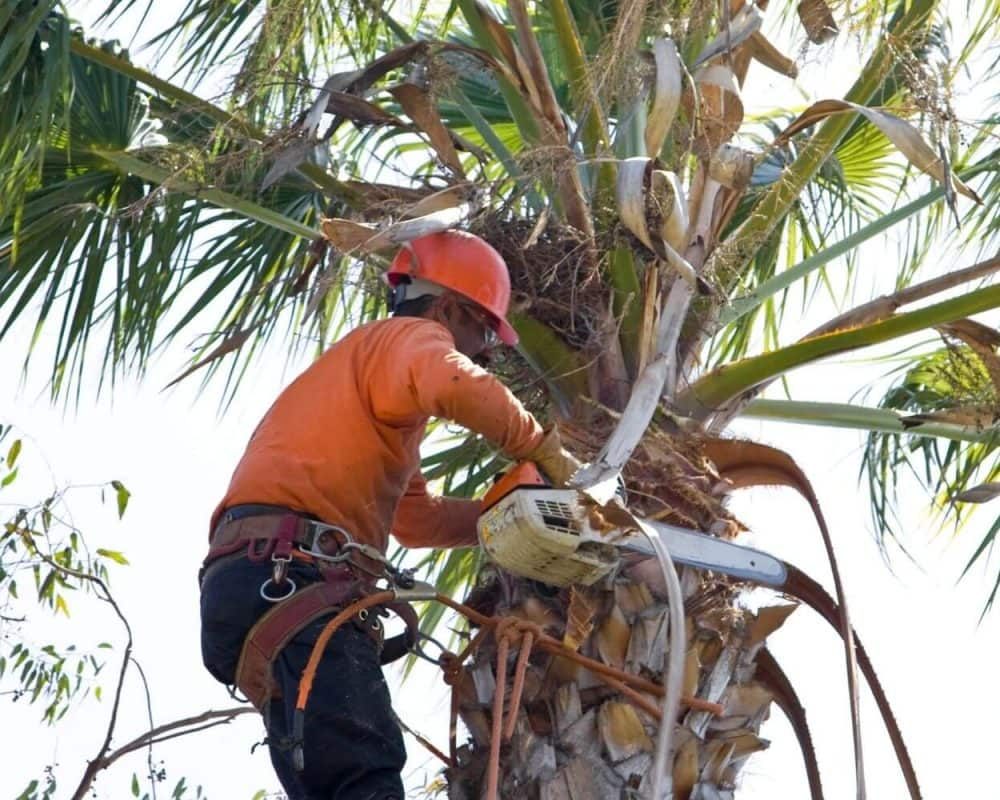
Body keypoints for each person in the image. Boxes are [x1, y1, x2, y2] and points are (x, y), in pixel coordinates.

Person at [198, 230, 579, 800]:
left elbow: (416, 523)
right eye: (482, 332)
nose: (486, 353)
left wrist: (507, 515)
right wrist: (542, 448)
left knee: (337, 785)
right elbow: (456, 381)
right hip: (293, 577)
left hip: (254, 584)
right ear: (448, 307)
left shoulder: (368, 391)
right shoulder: (407, 338)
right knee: (368, 780)